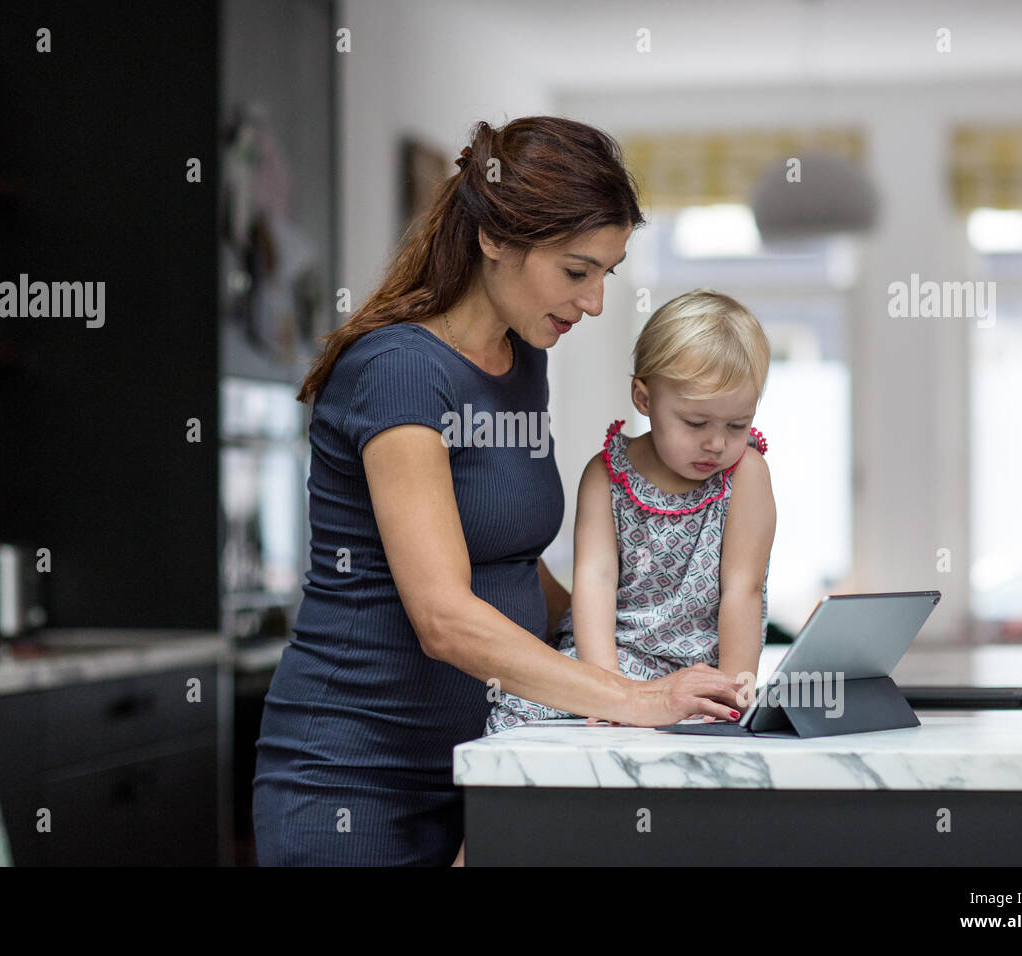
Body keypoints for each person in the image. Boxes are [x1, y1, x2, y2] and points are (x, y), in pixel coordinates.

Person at [253, 117, 749, 867]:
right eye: (577, 271)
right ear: (494, 239)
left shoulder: (521, 362)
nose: (594, 304)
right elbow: (446, 619)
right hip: (357, 783)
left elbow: (515, 566)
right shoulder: (397, 371)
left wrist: (658, 634)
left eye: (606, 275)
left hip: (489, 761)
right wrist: (633, 699)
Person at [484, 289, 777, 737]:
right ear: (644, 398)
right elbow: (595, 581)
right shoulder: (606, 473)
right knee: (514, 713)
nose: (717, 443)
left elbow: (744, 590)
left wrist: (733, 695)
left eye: (736, 425)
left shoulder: (745, 474)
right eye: (696, 423)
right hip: (612, 657)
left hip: (699, 668)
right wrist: (607, 690)